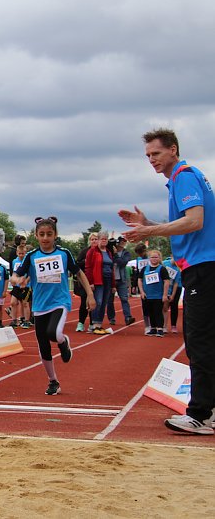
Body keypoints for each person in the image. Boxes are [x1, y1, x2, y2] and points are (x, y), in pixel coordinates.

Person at [119, 128, 215, 435]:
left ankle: (201, 414)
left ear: (173, 150)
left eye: (156, 153)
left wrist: (148, 232)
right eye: (147, 155)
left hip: (204, 267)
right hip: (201, 266)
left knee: (199, 342)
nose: (151, 160)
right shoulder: (180, 179)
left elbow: (195, 221)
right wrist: (148, 224)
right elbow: (190, 224)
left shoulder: (184, 176)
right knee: (204, 341)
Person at [12, 217, 95, 395]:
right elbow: (16, 275)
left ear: (55, 235)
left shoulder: (64, 253)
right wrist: (16, 279)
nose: (45, 238)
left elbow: (79, 273)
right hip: (40, 305)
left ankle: (63, 342)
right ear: (36, 235)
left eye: (49, 234)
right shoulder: (31, 256)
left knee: (54, 333)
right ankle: (53, 381)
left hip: (60, 301)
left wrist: (90, 294)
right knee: (43, 345)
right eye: (41, 234)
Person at [85, 231, 114, 335]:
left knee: (104, 302)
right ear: (98, 240)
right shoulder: (92, 251)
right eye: (102, 238)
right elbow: (88, 267)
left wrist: (113, 284)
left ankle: (99, 324)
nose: (104, 240)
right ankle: (94, 324)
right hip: (98, 280)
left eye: (106, 239)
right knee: (98, 301)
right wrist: (90, 282)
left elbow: (112, 268)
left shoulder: (109, 252)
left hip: (108, 279)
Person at [138, 249, 171, 337]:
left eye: (156, 257)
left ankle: (160, 328)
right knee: (150, 312)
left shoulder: (162, 269)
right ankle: (153, 328)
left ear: (159, 258)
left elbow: (167, 281)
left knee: (158, 312)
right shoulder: (145, 269)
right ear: (149, 258)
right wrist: (141, 291)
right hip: (147, 295)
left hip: (158, 295)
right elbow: (140, 280)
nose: (154, 259)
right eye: (152, 257)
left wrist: (165, 294)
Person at [74, 232, 98, 332]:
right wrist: (86, 261)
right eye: (92, 239)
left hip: (97, 281)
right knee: (84, 302)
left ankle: (93, 323)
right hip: (85, 281)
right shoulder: (85, 252)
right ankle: (81, 323)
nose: (94, 241)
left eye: (96, 239)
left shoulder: (101, 252)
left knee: (96, 302)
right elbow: (77, 264)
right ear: (89, 241)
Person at [110, 236, 135, 326]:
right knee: (110, 300)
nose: (122, 243)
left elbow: (123, 263)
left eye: (124, 242)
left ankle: (128, 317)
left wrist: (116, 255)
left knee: (124, 299)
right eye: (121, 241)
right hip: (111, 279)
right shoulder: (110, 251)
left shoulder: (126, 253)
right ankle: (111, 318)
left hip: (121, 279)